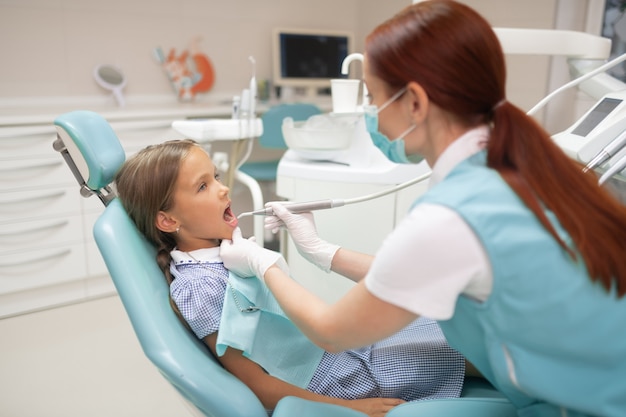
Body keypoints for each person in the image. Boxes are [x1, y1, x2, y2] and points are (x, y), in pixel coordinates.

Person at [220, 1, 626, 417]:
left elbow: (331, 332)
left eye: (374, 98)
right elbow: (426, 268)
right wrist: (321, 251)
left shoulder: (452, 214)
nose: (371, 115)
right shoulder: (516, 162)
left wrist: (261, 258)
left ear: (414, 102)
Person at [113, 139, 470, 417]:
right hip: (339, 382)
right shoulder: (201, 288)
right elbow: (256, 383)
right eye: (202, 186)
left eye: (217, 177)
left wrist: (316, 250)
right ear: (168, 221)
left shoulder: (221, 255)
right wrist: (354, 409)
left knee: (439, 319)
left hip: (343, 353)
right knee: (458, 338)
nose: (223, 189)